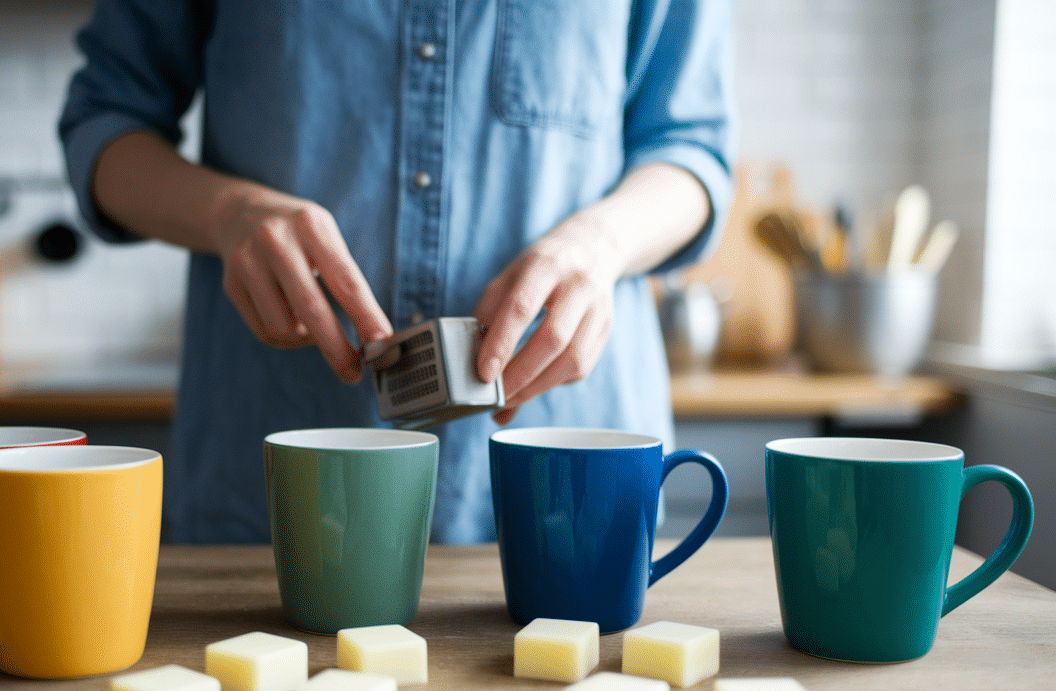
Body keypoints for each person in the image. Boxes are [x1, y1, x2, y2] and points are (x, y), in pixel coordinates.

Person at [60, 1, 735, 544]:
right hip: (270, 487)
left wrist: (602, 241)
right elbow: (104, 122)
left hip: (568, 489)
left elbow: (692, 149)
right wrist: (227, 212)